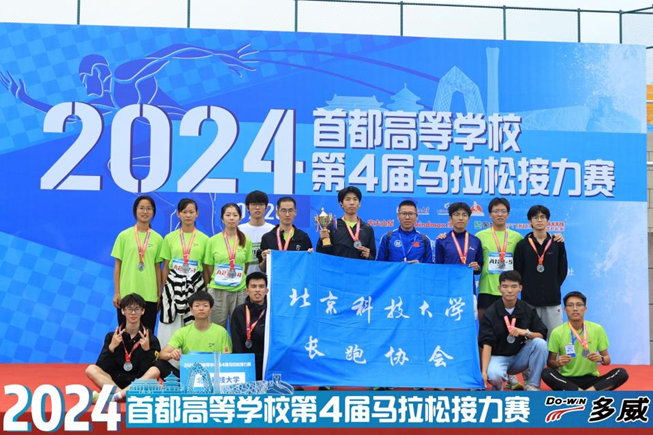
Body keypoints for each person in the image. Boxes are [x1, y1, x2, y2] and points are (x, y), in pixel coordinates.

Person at [542, 291, 629, 391]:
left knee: (621, 373)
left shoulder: (597, 329)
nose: (575, 309)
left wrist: (601, 358)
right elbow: (550, 363)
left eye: (579, 305)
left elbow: (607, 360)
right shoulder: (557, 332)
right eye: (570, 305)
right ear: (565, 310)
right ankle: (590, 393)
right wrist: (558, 363)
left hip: (592, 380)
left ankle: (583, 392)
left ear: (585, 309)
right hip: (567, 380)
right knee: (546, 373)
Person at [479, 271, 548, 391]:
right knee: (494, 375)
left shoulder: (528, 309)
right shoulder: (490, 312)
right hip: (499, 357)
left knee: (540, 344)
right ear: (499, 288)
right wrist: (484, 371)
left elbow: (541, 334)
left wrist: (526, 332)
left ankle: (533, 385)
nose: (509, 290)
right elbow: (487, 344)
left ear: (520, 288)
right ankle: (497, 384)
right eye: (505, 286)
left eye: (514, 286)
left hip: (520, 357)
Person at [85, 294, 160, 402]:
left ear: (143, 311)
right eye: (129, 309)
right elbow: (102, 366)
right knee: (91, 369)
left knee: (155, 370)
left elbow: (149, 371)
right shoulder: (112, 336)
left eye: (137, 309)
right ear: (123, 311)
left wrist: (147, 350)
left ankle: (117, 395)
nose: (133, 313)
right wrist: (111, 348)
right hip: (115, 382)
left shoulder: (150, 338)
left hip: (138, 383)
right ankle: (123, 394)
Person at [158, 198, 210, 348]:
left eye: (191, 212)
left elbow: (205, 268)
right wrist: (165, 290)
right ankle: (169, 357)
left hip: (195, 287)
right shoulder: (169, 238)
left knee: (193, 323)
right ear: (178, 214)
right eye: (184, 212)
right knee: (172, 325)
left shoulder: (205, 239)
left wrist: (206, 292)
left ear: (197, 214)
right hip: (173, 287)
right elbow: (166, 266)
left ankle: (192, 356)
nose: (188, 215)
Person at [111, 195, 163, 331]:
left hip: (149, 294)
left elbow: (158, 268)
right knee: (125, 334)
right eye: (141, 208)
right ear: (135, 211)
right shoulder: (123, 236)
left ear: (153, 212)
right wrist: (117, 292)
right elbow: (117, 266)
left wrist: (159, 294)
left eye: (149, 208)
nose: (145, 212)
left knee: (147, 333)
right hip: (127, 293)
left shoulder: (158, 239)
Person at [514, 205, 568, 334]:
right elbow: (518, 271)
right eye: (535, 217)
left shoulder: (557, 243)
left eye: (543, 217)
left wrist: (553, 285)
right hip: (529, 302)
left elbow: (562, 270)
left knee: (555, 338)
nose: (539, 220)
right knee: (532, 339)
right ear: (530, 221)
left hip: (552, 301)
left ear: (547, 221)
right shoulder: (522, 245)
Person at [154, 291, 232, 379]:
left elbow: (229, 360)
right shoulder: (182, 332)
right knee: (160, 364)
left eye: (205, 305)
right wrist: (171, 355)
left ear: (210, 309)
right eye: (197, 305)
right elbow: (162, 354)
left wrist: (226, 358)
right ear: (191, 309)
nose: (201, 308)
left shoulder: (221, 332)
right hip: (188, 377)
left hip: (214, 377)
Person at [475, 198, 523, 325]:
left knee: (508, 328)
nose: (500, 214)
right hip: (487, 289)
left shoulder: (517, 237)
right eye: (496, 211)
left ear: (508, 214)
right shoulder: (480, 236)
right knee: (485, 328)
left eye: (503, 211)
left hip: (509, 290)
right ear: (490, 214)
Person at [205, 203, 252, 328]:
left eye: (235, 215)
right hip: (218, 291)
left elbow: (245, 265)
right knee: (216, 328)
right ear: (222, 218)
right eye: (228, 215)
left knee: (239, 328)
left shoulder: (246, 240)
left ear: (240, 218)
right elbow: (209, 267)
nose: (231, 218)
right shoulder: (212, 240)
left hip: (239, 291)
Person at [317, 186, 376, 260]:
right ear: (341, 203)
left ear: (359, 204)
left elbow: (373, 257)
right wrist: (321, 240)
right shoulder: (332, 226)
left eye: (355, 199)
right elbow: (322, 256)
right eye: (348, 199)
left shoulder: (367, 229)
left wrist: (368, 256)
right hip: (337, 267)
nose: (352, 203)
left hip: (359, 267)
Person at [258, 196, 313, 273]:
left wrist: (311, 256)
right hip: (275, 279)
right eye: (283, 210)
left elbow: (309, 265)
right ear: (277, 213)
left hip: (296, 279)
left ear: (295, 212)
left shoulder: (303, 237)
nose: (287, 214)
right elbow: (263, 269)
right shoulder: (267, 238)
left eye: (290, 210)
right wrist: (264, 260)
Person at [231, 272, 269, 380]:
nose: (257, 290)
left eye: (261, 286)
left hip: (268, 363)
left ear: (266, 290)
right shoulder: (239, 311)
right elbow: (237, 343)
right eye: (253, 286)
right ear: (247, 290)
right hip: (246, 363)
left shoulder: (272, 311)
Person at [435, 202, 483, 286]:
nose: (461, 218)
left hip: (468, 287)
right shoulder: (442, 241)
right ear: (450, 218)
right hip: (448, 286)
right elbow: (438, 268)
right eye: (457, 215)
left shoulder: (476, 241)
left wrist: (477, 267)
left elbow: (480, 266)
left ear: (469, 218)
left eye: (464, 215)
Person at [239, 190, 274, 275]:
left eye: (261, 204)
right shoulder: (239, 230)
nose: (257, 208)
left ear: (266, 207)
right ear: (247, 207)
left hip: (267, 279)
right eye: (254, 204)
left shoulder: (273, 230)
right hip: (244, 278)